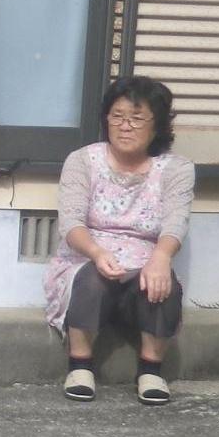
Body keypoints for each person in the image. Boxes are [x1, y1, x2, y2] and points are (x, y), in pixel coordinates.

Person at [43, 75, 194, 405]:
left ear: (157, 126)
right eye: (117, 116)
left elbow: (176, 220)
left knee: (161, 280)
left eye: (137, 118)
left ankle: (151, 370)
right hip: (88, 254)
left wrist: (161, 257)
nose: (125, 126)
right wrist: (97, 252)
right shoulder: (83, 161)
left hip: (144, 258)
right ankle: (80, 365)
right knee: (91, 278)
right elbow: (70, 222)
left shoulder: (176, 169)